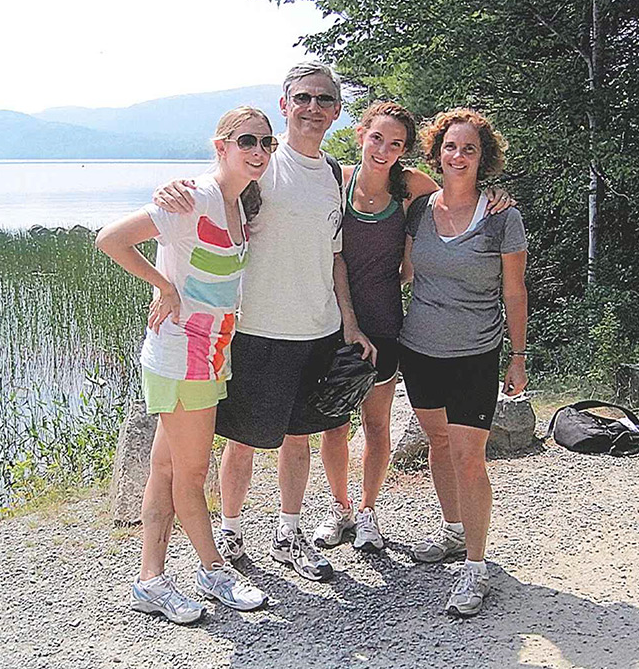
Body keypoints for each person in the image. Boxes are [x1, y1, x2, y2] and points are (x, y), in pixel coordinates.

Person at [152, 62, 374, 584]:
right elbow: (210, 186)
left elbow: (335, 256)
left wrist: (350, 323)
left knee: (299, 438)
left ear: (337, 112)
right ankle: (230, 530)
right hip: (254, 327)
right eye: (303, 98)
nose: (313, 108)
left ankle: (288, 532)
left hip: (315, 328)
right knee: (242, 439)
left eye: (324, 100)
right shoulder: (262, 164)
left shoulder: (334, 176)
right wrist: (170, 193)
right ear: (285, 104)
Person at [96, 107, 274, 624]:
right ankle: (214, 569)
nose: (258, 151)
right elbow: (110, 238)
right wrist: (163, 285)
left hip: (212, 351)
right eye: (247, 141)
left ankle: (150, 579)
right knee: (192, 473)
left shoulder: (239, 203)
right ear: (220, 145)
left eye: (266, 142)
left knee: (167, 468)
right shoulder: (192, 198)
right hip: (182, 355)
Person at [314, 102, 514, 553]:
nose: (384, 149)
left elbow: (460, 189)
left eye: (396, 143)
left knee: (377, 425)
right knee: (332, 427)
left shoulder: (410, 188)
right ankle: (340, 508)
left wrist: (497, 197)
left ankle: (367, 511)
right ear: (361, 134)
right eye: (376, 138)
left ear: (406, 151)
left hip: (386, 321)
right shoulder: (334, 182)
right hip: (331, 321)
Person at [399, 108, 528, 617]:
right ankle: (453, 534)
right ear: (436, 153)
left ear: (483, 158)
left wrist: (518, 357)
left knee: (470, 459)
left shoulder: (502, 216)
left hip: (476, 353)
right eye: (450, 147)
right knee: (437, 442)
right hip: (418, 349)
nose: (458, 156)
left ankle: (475, 566)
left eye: (469, 149)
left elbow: (515, 292)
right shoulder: (418, 211)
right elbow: (403, 272)